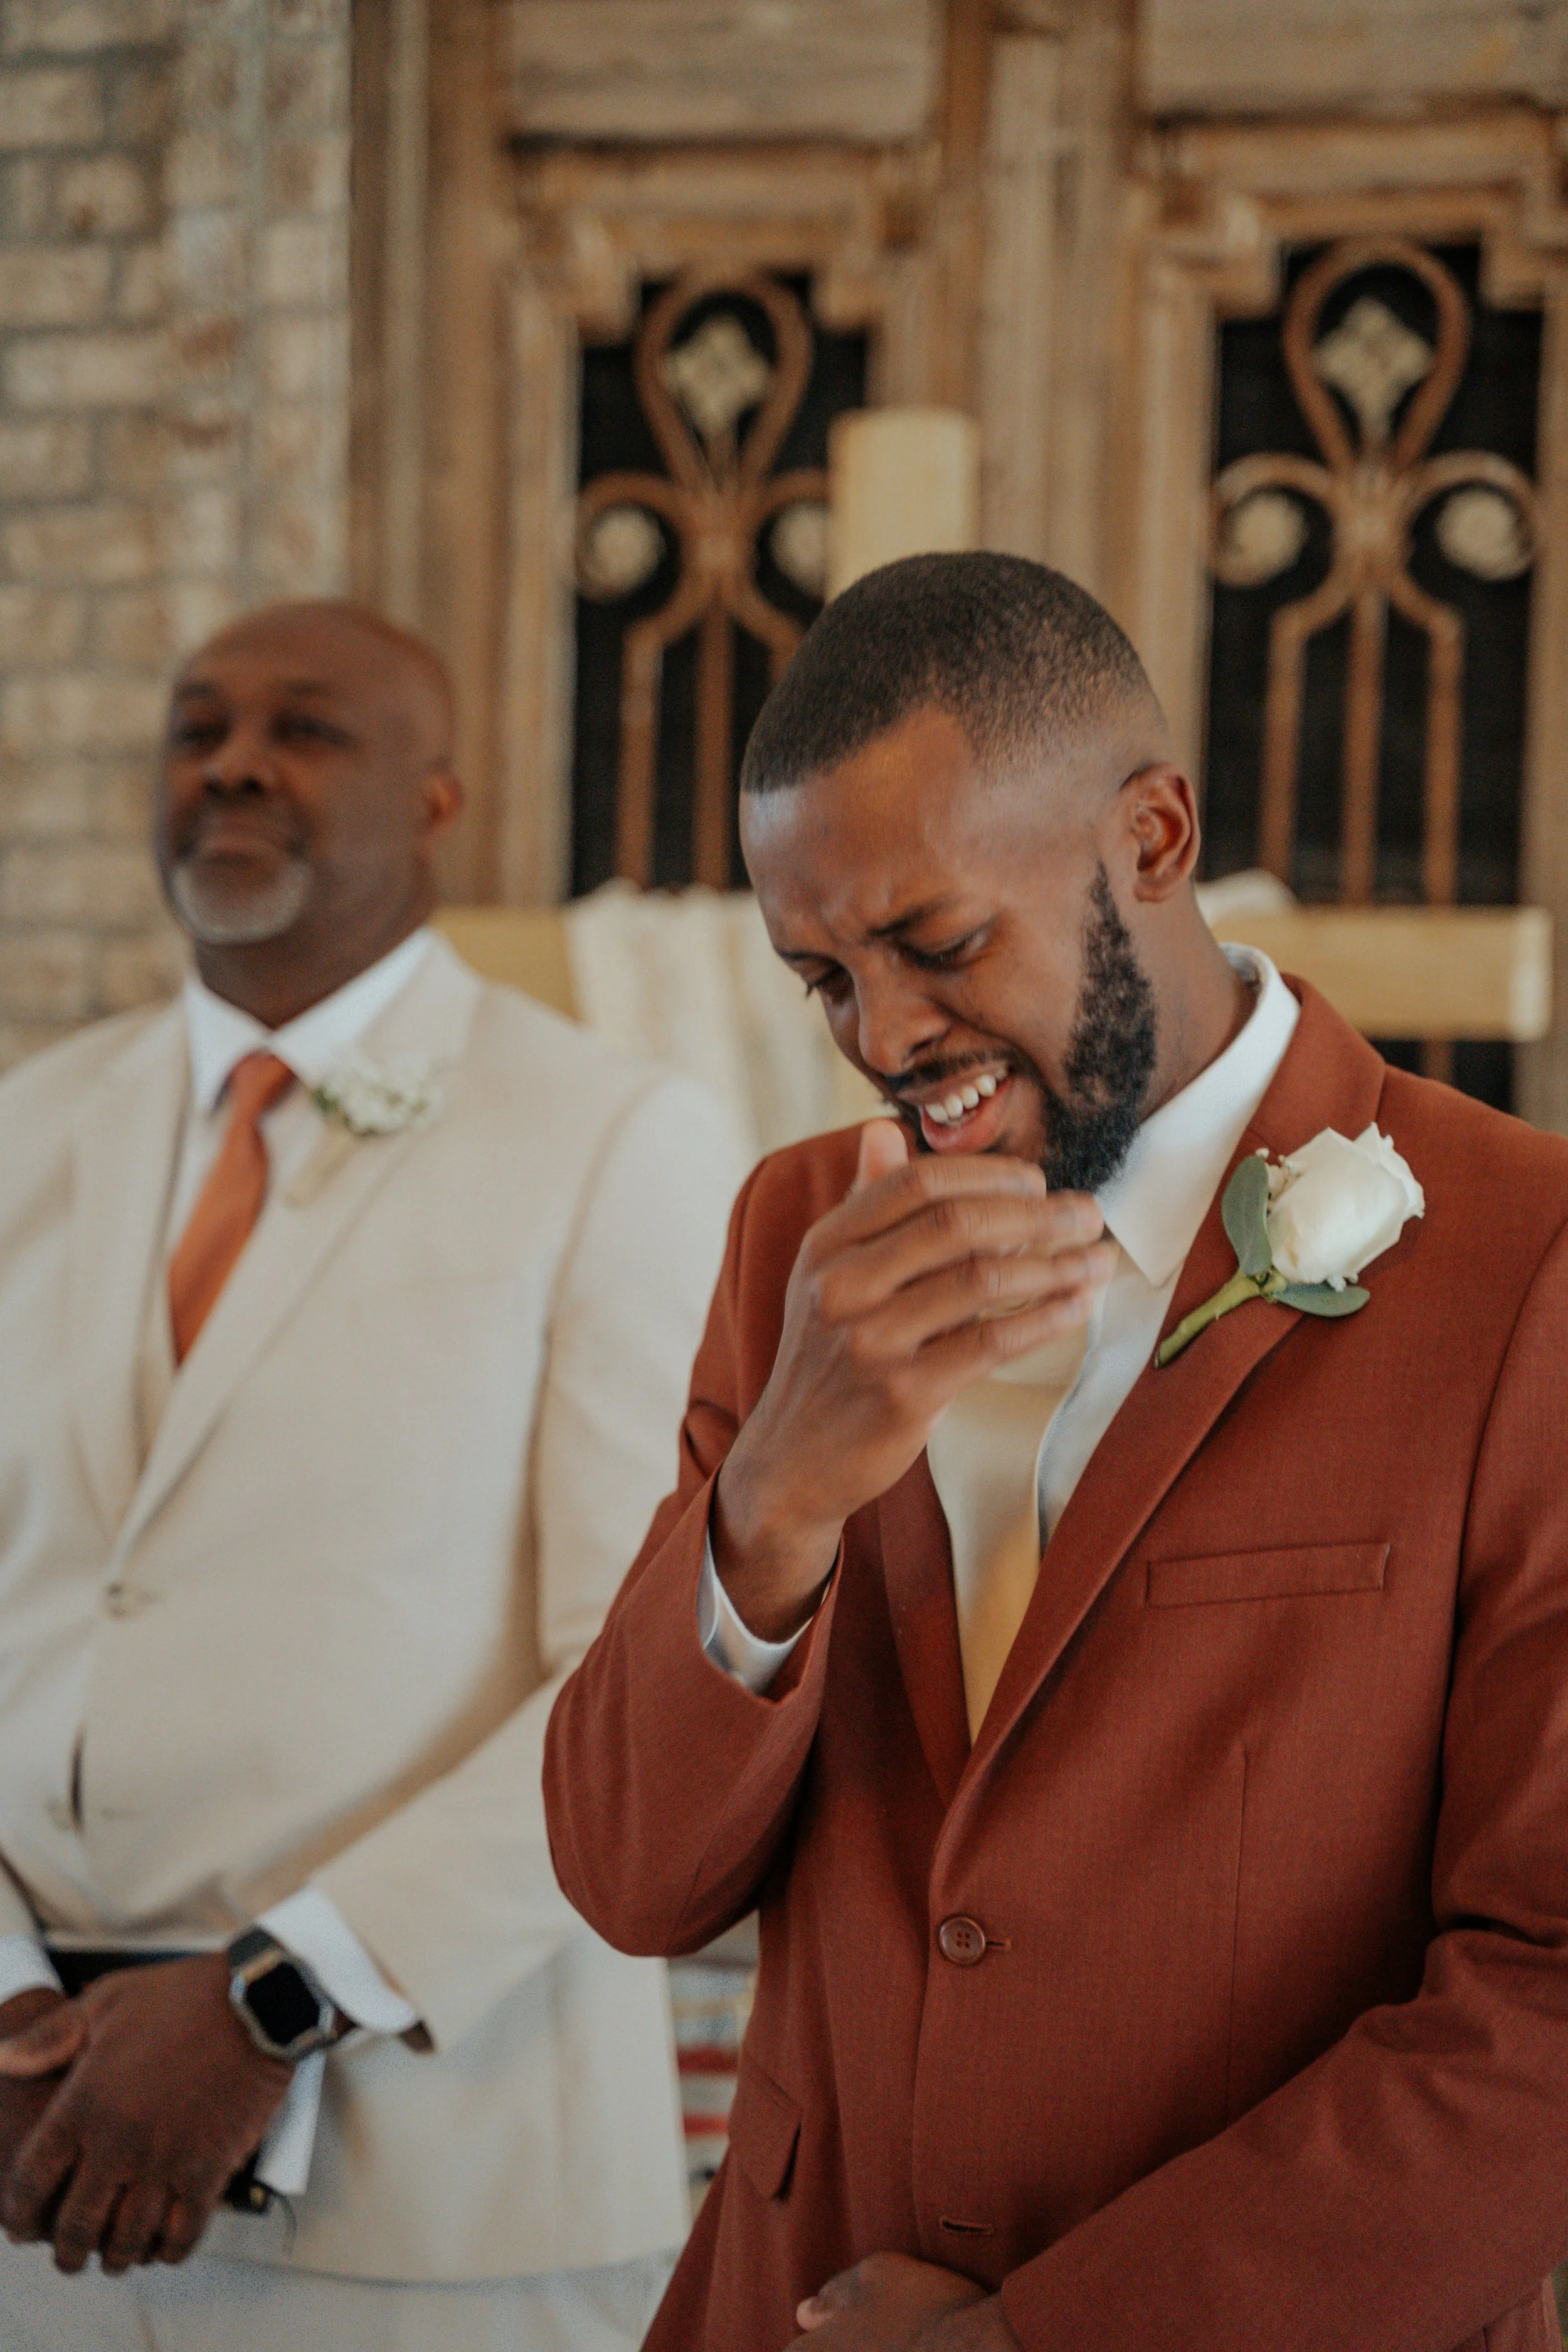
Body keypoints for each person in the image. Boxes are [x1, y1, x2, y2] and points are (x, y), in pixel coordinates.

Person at [545, 553, 1568, 2352]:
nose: (882, 1038)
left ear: (1154, 838)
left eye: (939, 945)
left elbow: (1543, 1997)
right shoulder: (801, 1232)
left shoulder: (1521, 1256)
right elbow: (633, 1877)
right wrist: (772, 1501)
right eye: (821, 980)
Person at [0, 600, 742, 2349]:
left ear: (437, 801)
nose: (235, 764)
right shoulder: (25, 1128)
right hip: (32, 2169)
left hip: (435, 2197)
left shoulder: (614, 1140)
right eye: (198, 728)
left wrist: (276, 2000)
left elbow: (633, 1687)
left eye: (308, 728)